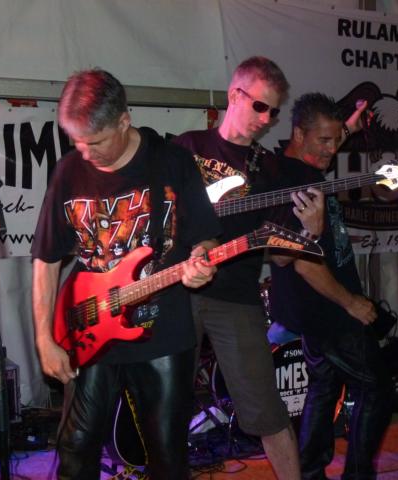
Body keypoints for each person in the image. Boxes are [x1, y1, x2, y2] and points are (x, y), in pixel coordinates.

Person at [31, 68, 221, 480]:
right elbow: (45, 259)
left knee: (166, 456)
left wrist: (202, 262)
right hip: (90, 327)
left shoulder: (172, 162)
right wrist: (45, 338)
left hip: (162, 334)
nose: (85, 153)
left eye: (94, 142)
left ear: (123, 120)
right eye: (76, 142)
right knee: (75, 447)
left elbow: (205, 238)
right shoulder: (68, 172)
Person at [174, 56, 323, 479]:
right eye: (260, 106)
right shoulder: (186, 147)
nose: (266, 119)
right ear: (234, 95)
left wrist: (308, 233)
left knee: (266, 409)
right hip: (176, 289)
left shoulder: (270, 169)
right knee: (167, 406)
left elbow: (281, 256)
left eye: (274, 112)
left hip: (235, 298)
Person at [269, 93, 393, 480]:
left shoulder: (296, 167)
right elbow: (300, 260)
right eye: (324, 140)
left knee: (324, 385)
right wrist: (350, 302)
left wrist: (349, 126)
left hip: (313, 309)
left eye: (337, 139)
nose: (332, 148)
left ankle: (310, 470)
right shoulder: (293, 182)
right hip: (327, 308)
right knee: (377, 388)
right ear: (298, 134)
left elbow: (333, 136)